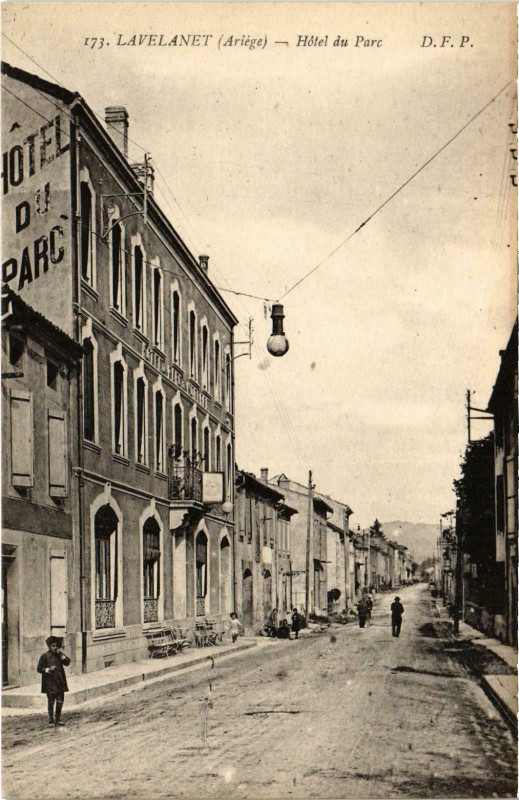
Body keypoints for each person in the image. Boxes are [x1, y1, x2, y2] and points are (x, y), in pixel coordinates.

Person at [37, 636, 71, 726]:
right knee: (51, 702)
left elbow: (67, 662)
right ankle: (51, 720)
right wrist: (48, 669)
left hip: (60, 682)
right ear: (49, 646)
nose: (55, 648)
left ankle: (58, 719)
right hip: (50, 683)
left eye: (56, 646)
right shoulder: (44, 656)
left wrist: (62, 655)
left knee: (60, 701)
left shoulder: (59, 655)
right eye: (53, 646)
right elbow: (39, 669)